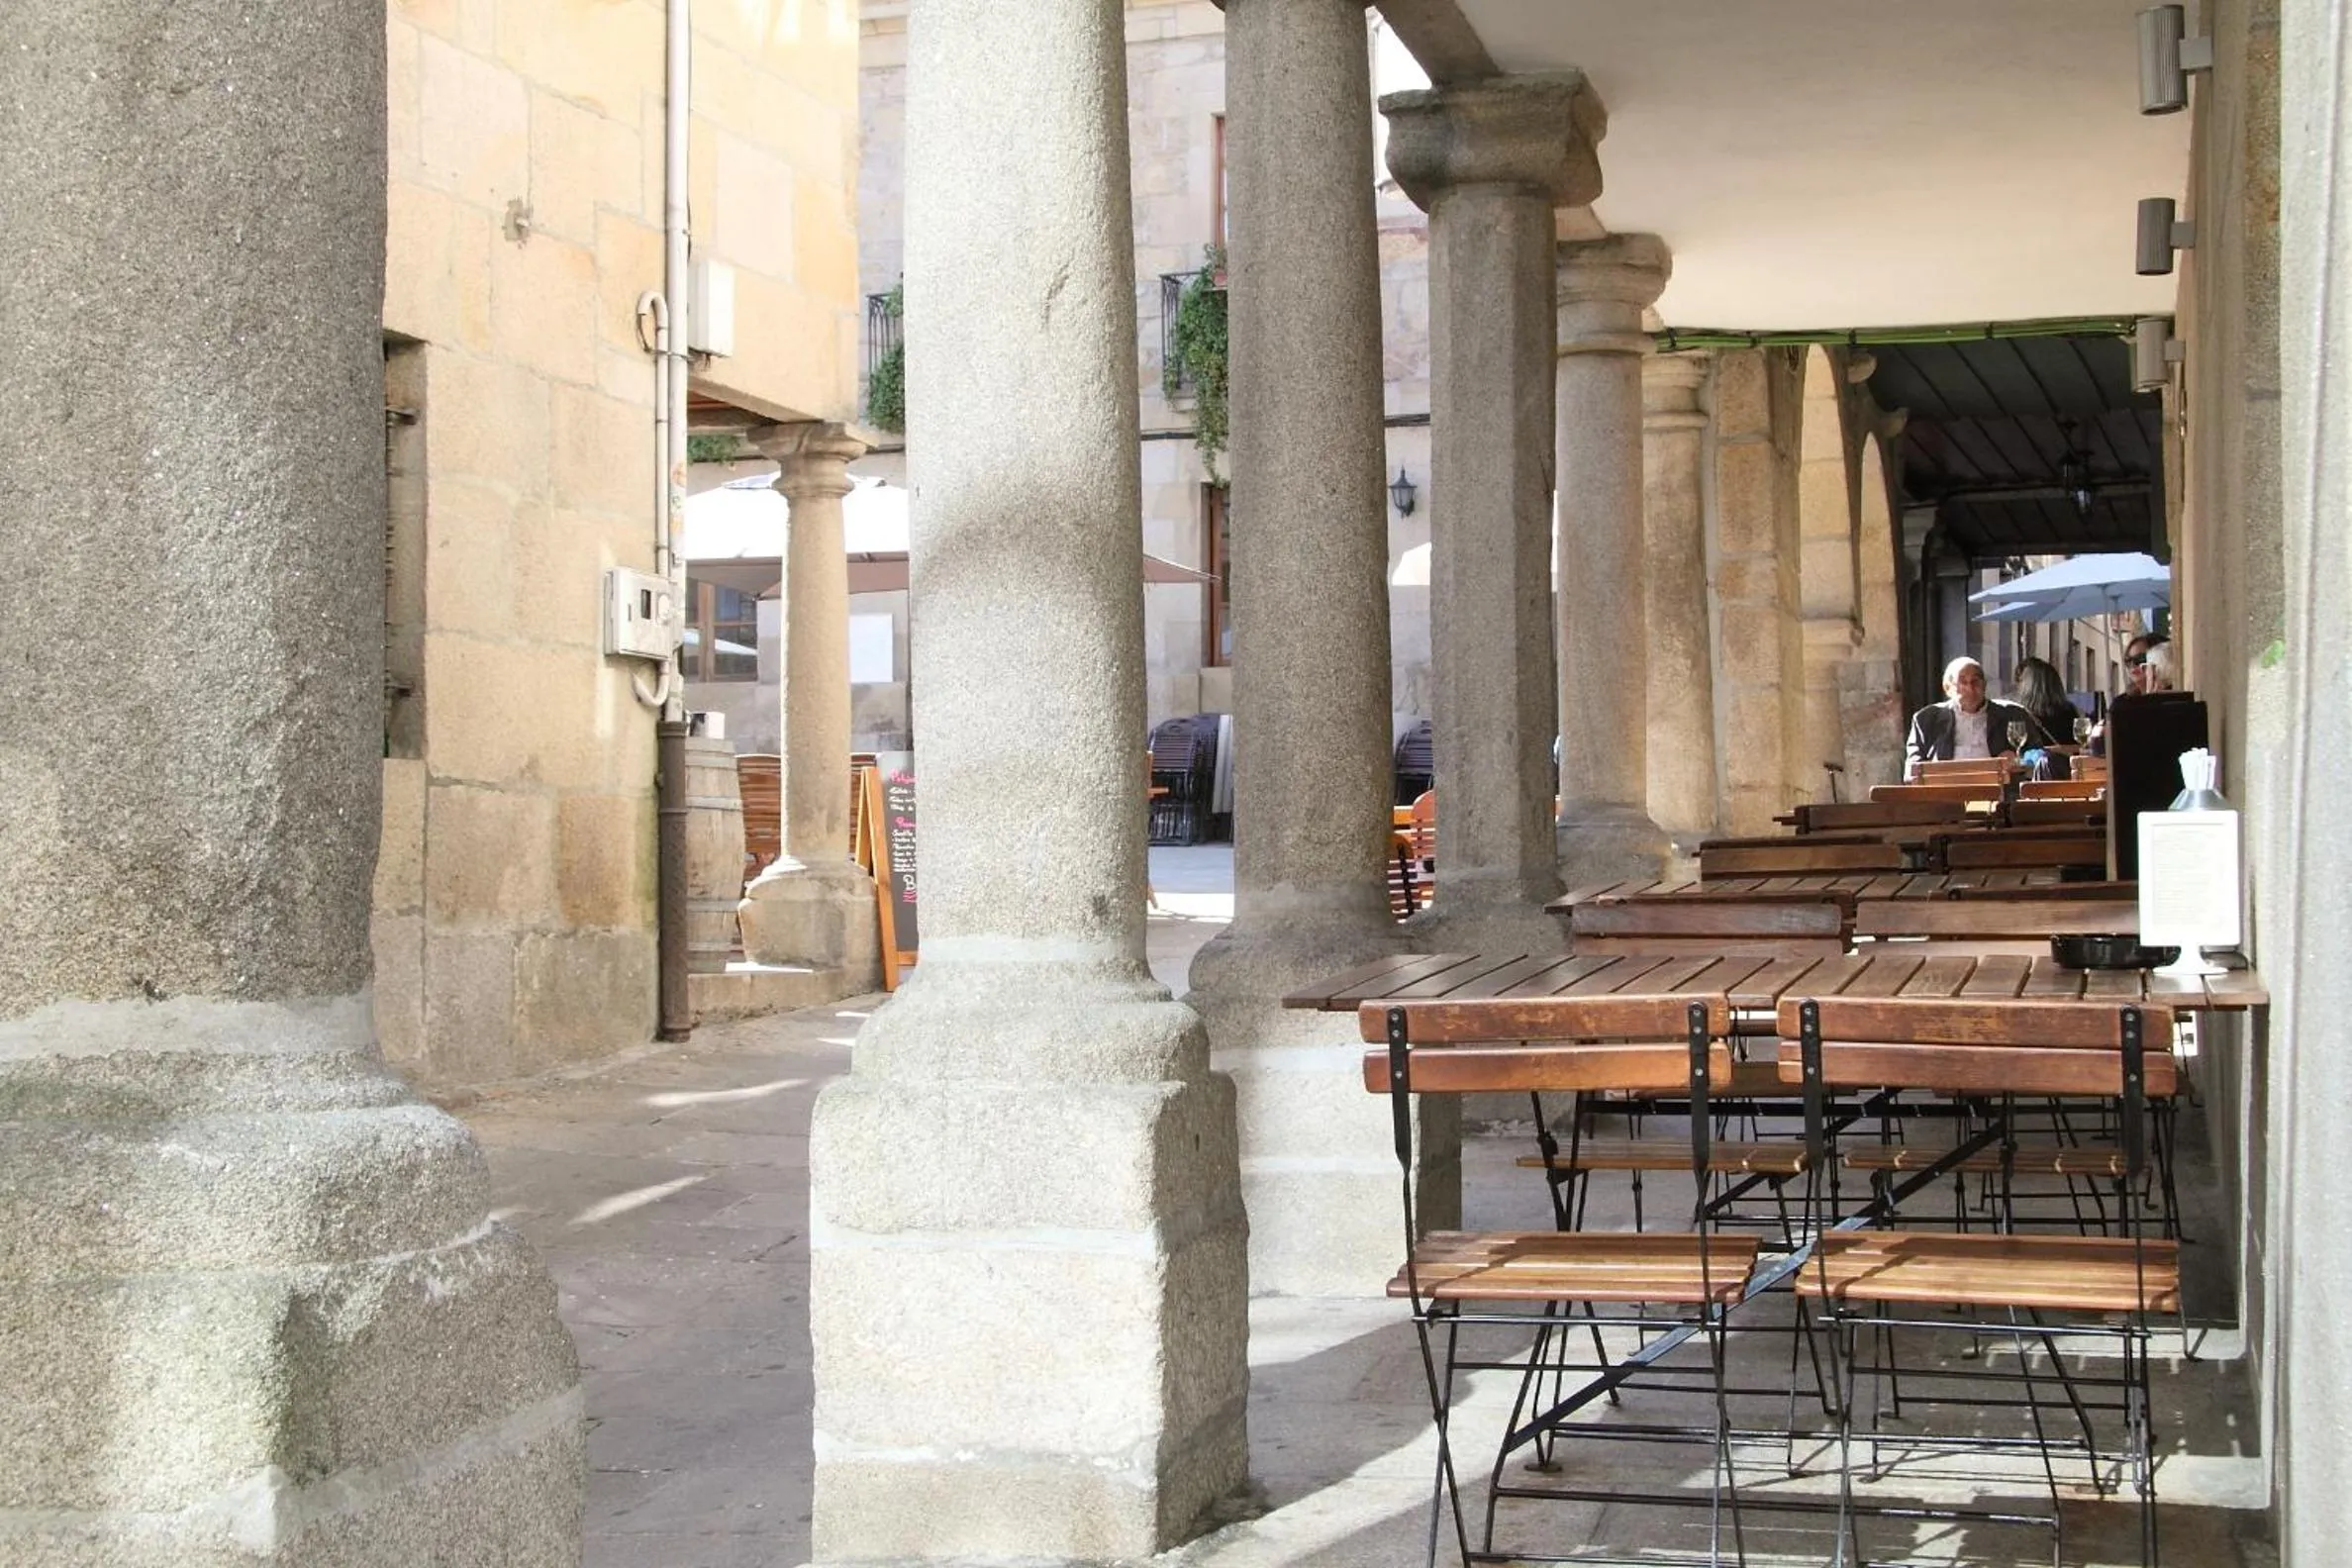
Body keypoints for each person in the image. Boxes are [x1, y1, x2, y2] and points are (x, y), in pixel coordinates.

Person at [1904, 655, 2042, 776]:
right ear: (1948, 688)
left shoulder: (2013, 714)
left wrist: (2020, 760)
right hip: (1945, 796)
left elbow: (2040, 757)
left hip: (2001, 795)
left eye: (1976, 681)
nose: (1970, 688)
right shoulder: (1926, 720)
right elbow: (1911, 771)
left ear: (1984, 685)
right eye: (1963, 682)